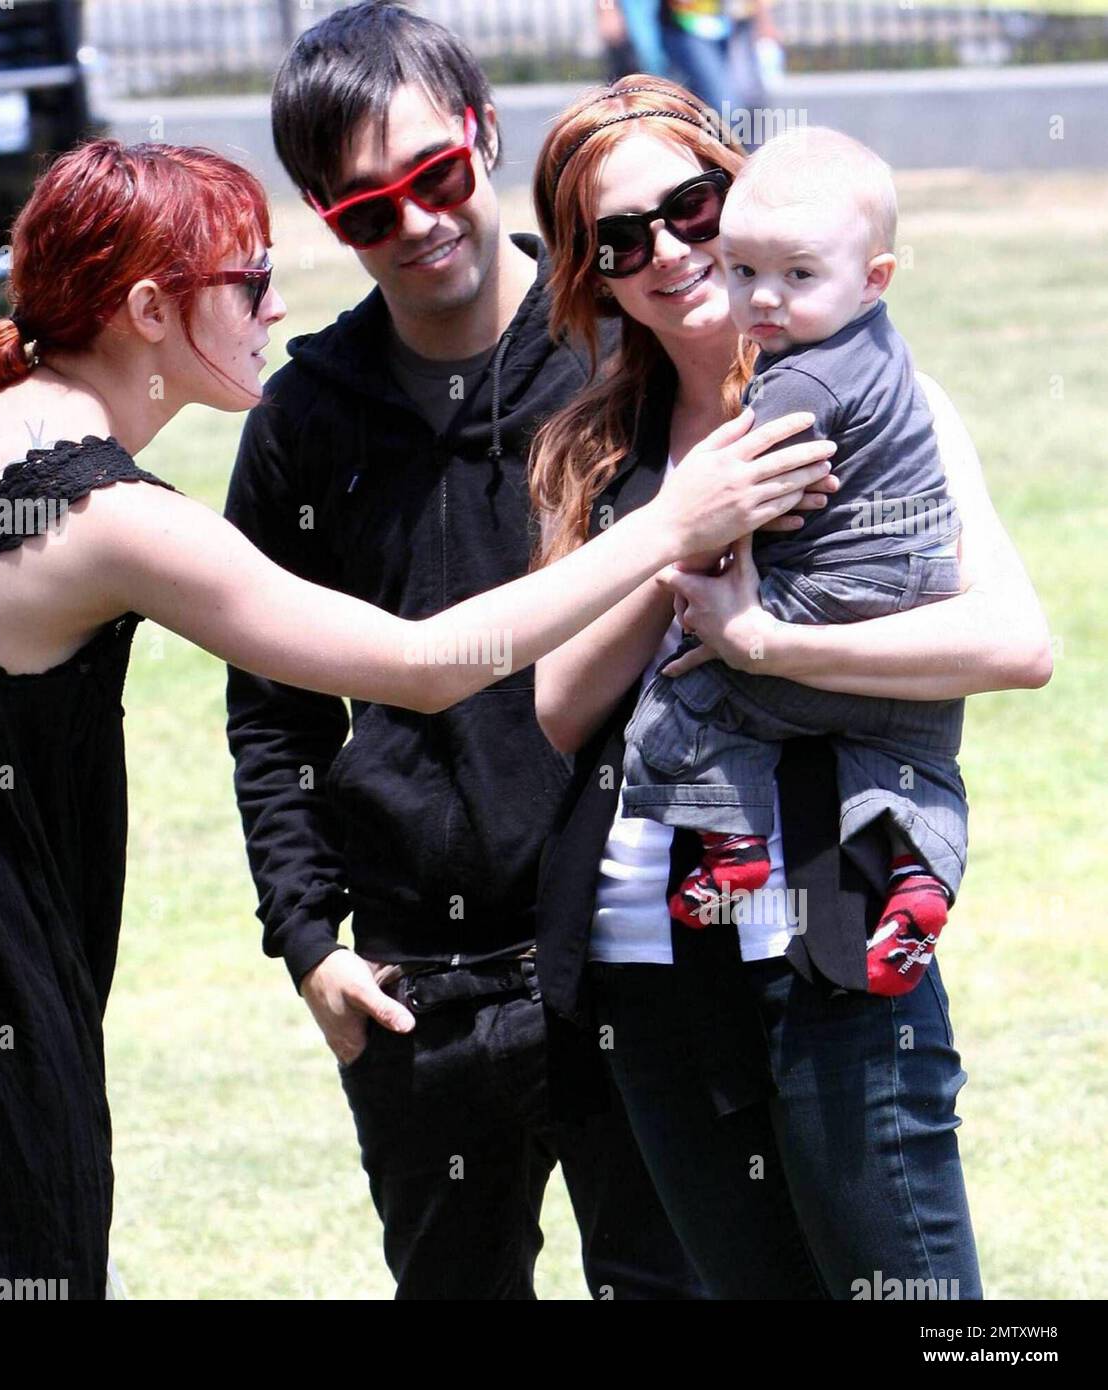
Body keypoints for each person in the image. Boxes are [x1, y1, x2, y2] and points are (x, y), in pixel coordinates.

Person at [0, 135, 831, 1299]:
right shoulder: (109, 513)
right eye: (245, 281)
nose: (277, 303)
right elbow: (425, 661)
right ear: (148, 306)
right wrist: (668, 526)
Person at [222, 2, 826, 1301]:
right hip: (414, 979)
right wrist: (308, 944)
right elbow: (271, 715)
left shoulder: (618, 348)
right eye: (367, 210)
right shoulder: (301, 424)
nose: (421, 222)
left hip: (621, 939)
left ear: (486, 135)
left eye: (438, 176)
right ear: (325, 220)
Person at [529, 78, 1052, 1299]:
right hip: (645, 935)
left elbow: (1013, 643)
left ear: (740, 195)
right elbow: (555, 708)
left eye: (689, 206)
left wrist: (766, 641)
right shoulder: (591, 450)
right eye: (617, 239)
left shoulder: (886, 406)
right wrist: (681, 527)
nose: (666, 249)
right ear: (592, 275)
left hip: (841, 874)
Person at [622, 126, 970, 1000]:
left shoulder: (794, 383)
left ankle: (733, 853)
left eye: (797, 276)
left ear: (874, 276)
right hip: (919, 584)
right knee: (907, 742)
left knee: (689, 698)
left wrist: (706, 571)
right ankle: (920, 883)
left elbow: (740, 504)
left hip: (836, 587)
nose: (763, 300)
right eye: (743, 272)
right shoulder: (886, 348)